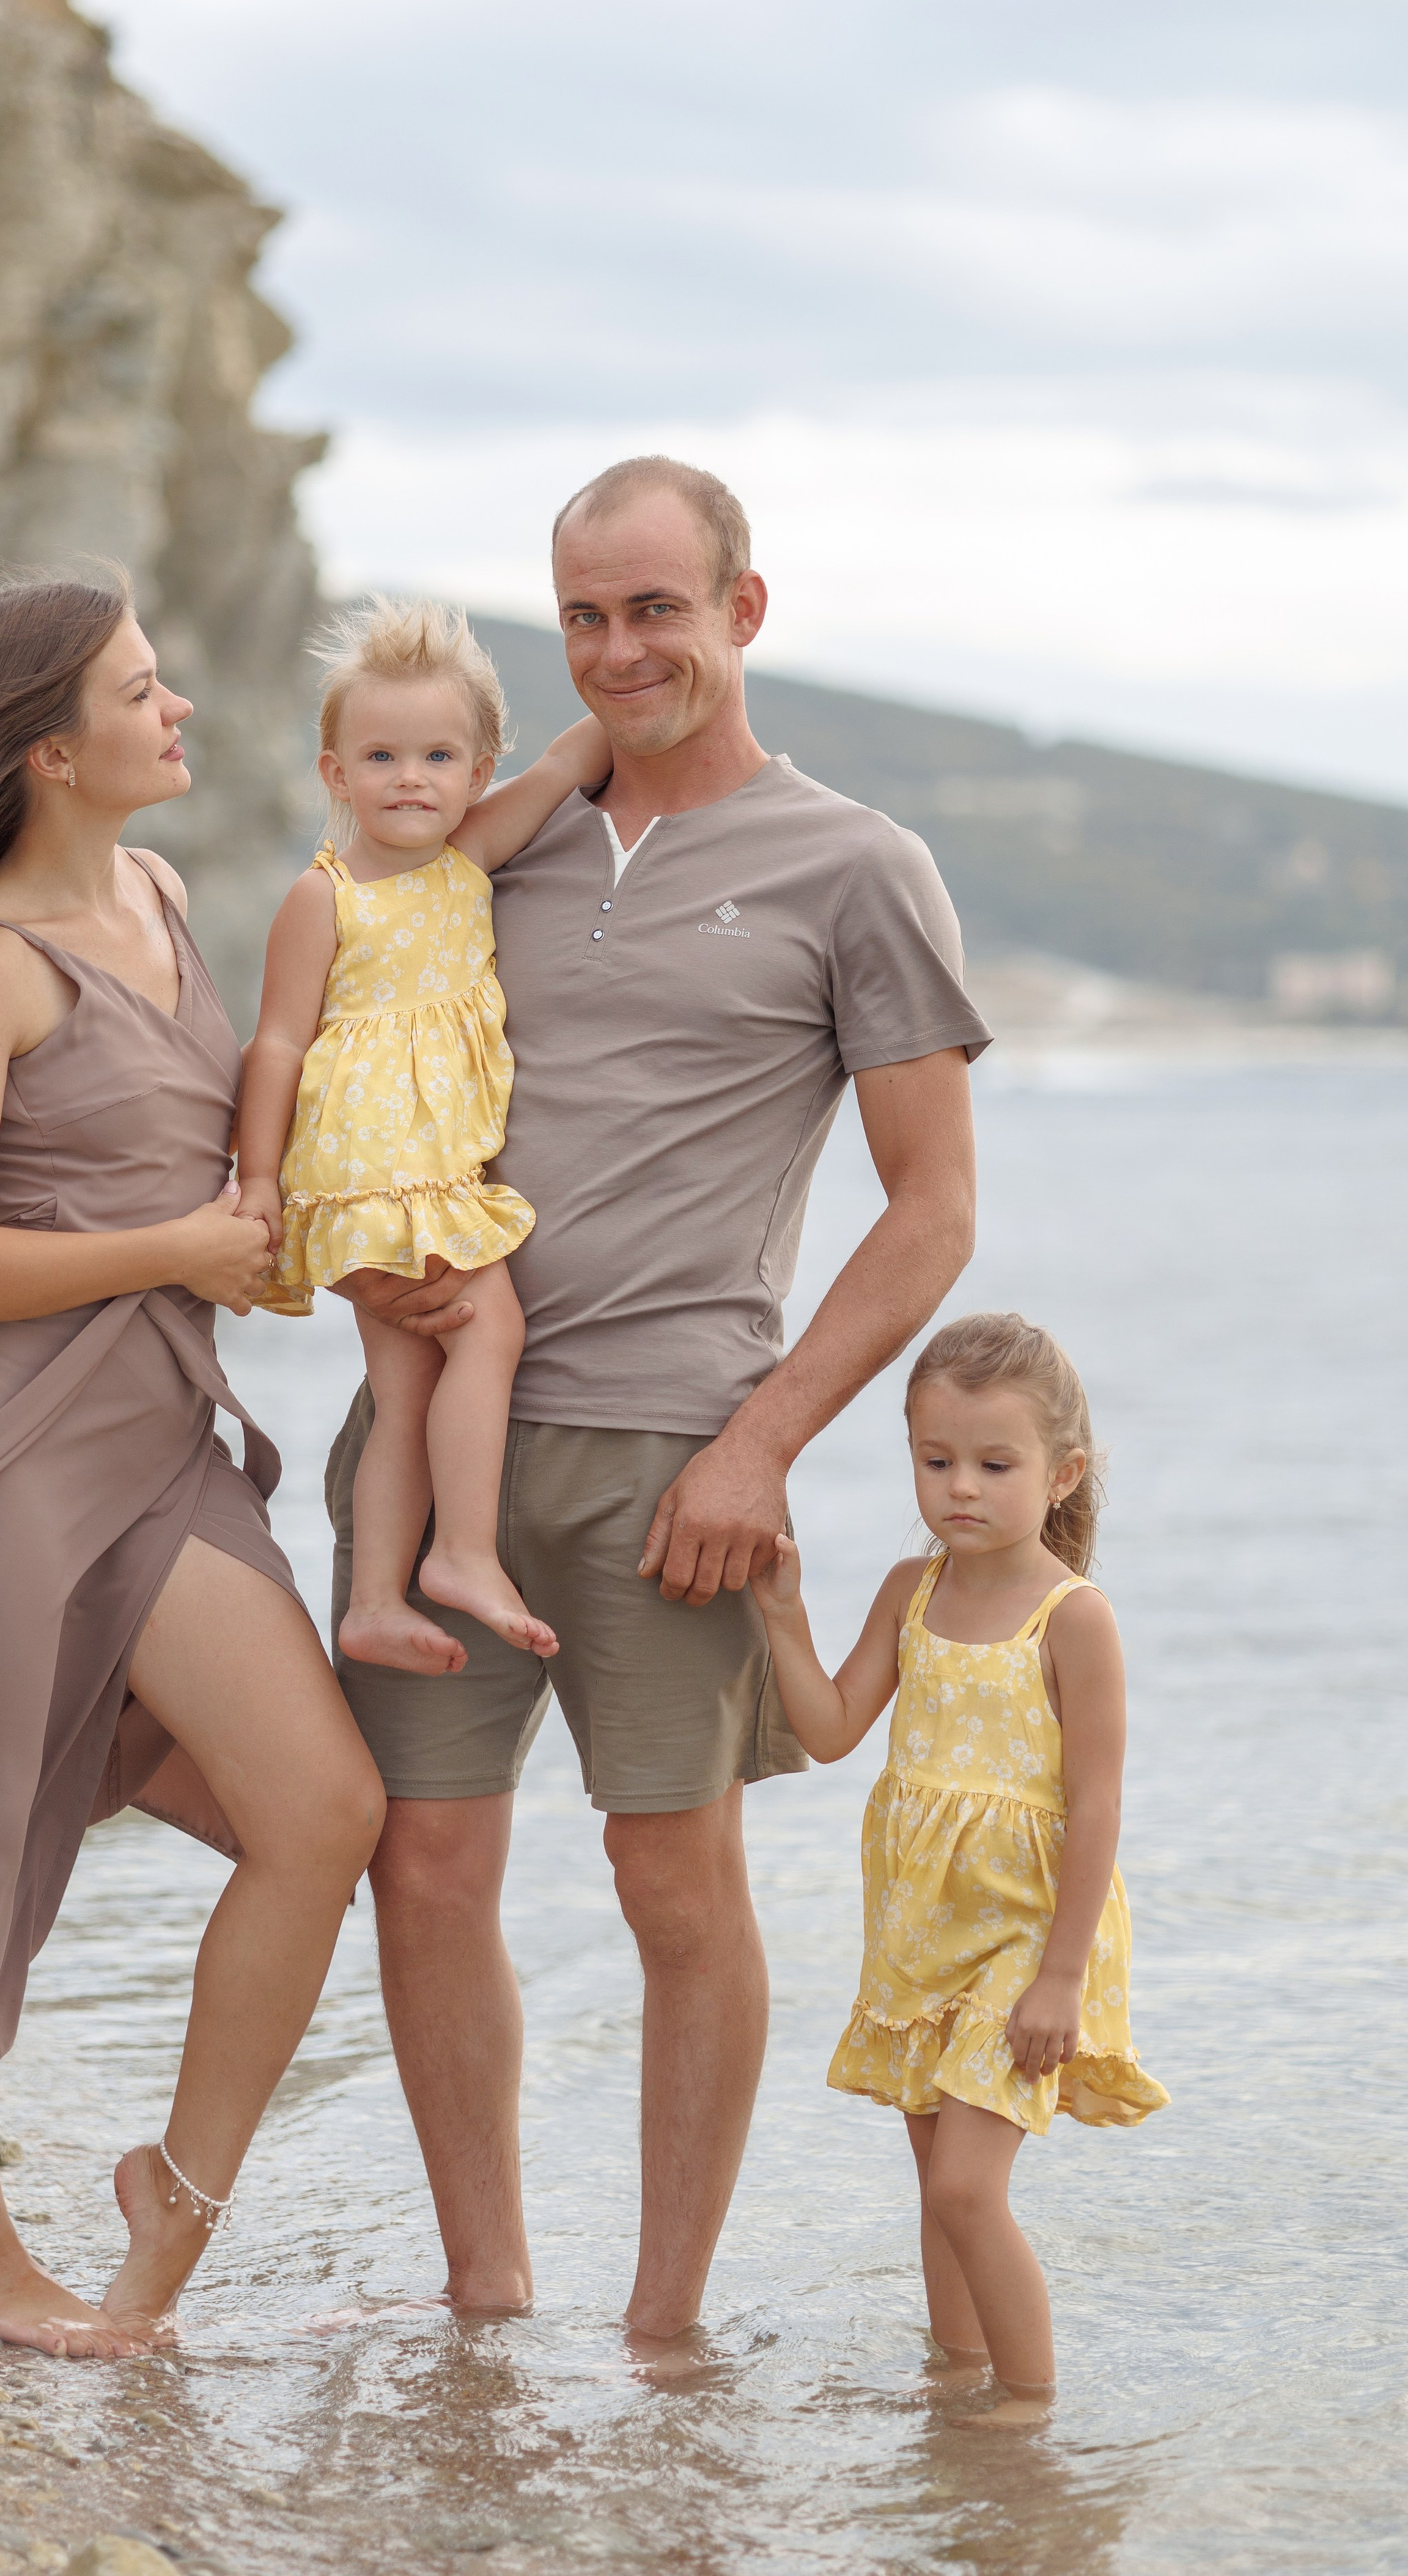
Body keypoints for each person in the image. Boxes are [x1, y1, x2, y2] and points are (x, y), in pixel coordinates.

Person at [324, 457, 992, 2342]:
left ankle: (663, 2333)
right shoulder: (491, 843)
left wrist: (761, 1446)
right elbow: (351, 1051)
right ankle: (484, 2301)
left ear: (741, 611)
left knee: (671, 1886)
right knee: (423, 1866)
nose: (619, 651)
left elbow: (932, 1208)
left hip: (672, 1457)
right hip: (432, 1445)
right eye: (584, 618)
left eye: (655, 610)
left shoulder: (855, 866)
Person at [0, 571, 385, 2358]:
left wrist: (276, 1242)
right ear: (49, 751)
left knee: (325, 1813)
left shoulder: (166, 894)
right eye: (140, 690)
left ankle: (168, 2205)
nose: (177, 707)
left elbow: (200, 1170)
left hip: (158, 1444)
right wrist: (175, 1250)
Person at [753, 1312, 1169, 2424]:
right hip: (922, 1932)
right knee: (936, 2187)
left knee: (968, 2189)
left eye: (995, 1464)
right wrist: (785, 1619)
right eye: (936, 1462)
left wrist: (1062, 1978)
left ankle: (1028, 2408)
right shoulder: (912, 1591)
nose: (962, 1489)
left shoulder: (1073, 1619)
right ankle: (957, 2384)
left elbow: (1098, 1804)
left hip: (1031, 1940)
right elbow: (832, 1730)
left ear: (1061, 1473)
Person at [236, 599, 611, 1668]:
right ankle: (463, 1553)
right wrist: (257, 1183)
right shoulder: (325, 898)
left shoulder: (468, 859)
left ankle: (373, 1604)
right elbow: (276, 1044)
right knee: (490, 1332)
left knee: (404, 1394)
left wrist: (658, 694)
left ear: (478, 771)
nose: (412, 778)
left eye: (439, 757)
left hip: (417, 1181)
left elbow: (565, 765)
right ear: (335, 773)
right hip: (379, 1179)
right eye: (382, 756)